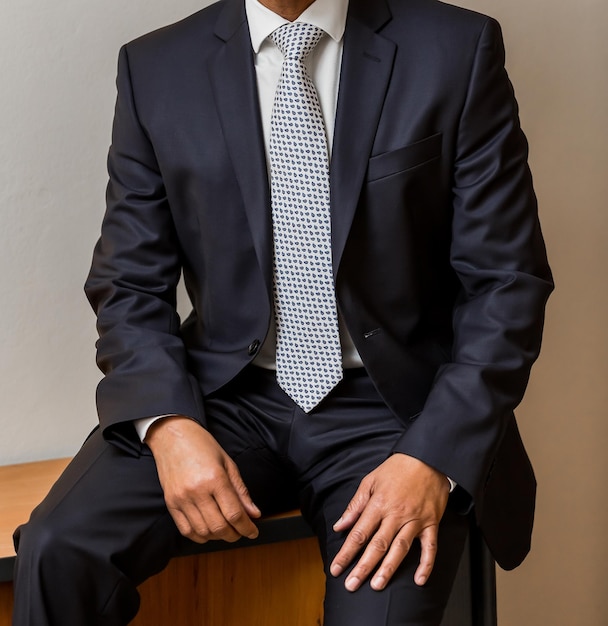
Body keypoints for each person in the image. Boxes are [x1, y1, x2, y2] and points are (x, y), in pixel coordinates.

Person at [12, 0, 553, 624]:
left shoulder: (456, 48)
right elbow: (129, 280)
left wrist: (432, 454)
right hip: (227, 396)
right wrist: (166, 424)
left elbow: (507, 282)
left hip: (394, 410)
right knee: (57, 547)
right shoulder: (156, 67)